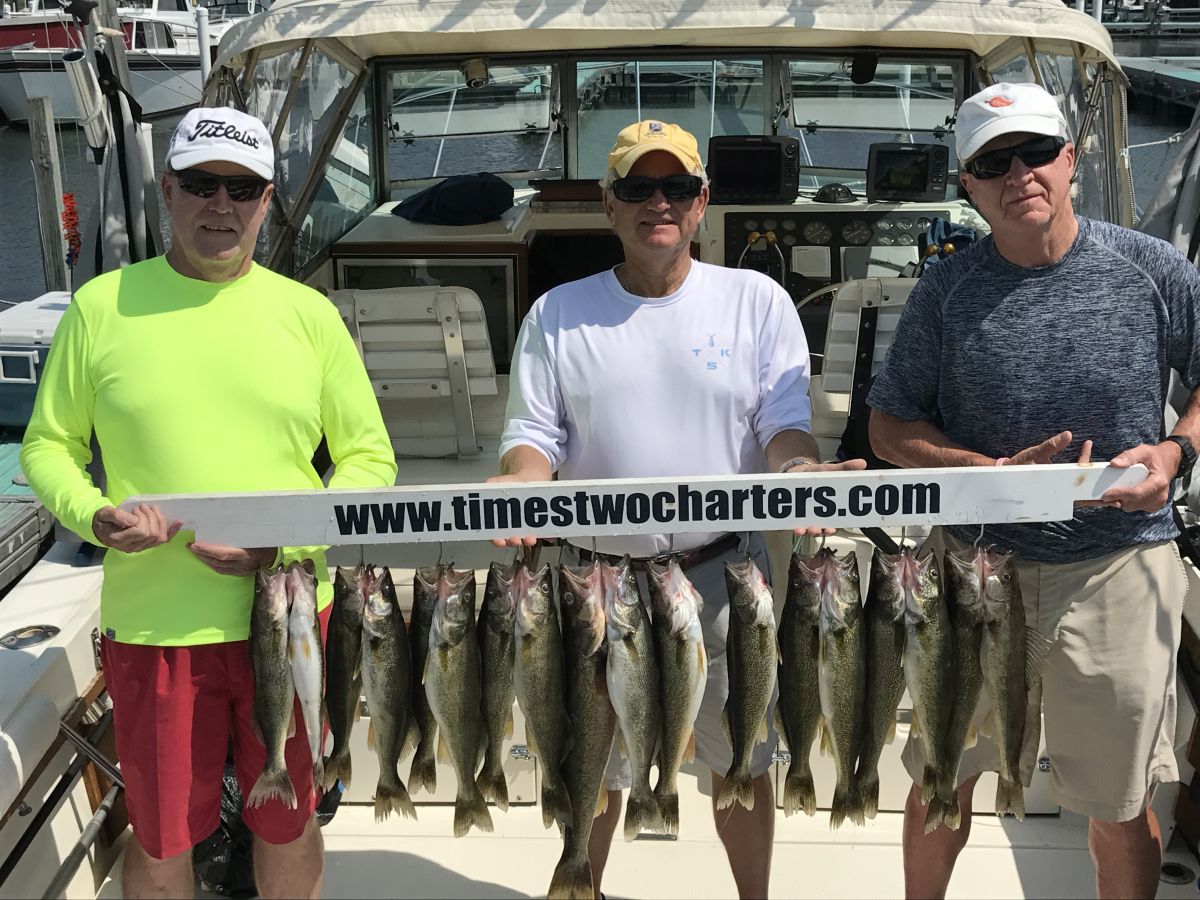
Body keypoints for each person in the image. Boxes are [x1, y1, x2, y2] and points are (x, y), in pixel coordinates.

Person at [20, 107, 397, 900]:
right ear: (167, 189)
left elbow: (370, 459)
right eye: (201, 184)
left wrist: (287, 546)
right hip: (157, 626)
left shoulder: (310, 316)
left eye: (243, 188)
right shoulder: (99, 308)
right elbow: (47, 447)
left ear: (268, 202)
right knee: (161, 839)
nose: (220, 205)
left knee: (289, 821)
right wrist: (94, 516)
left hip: (292, 615)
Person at [495, 118, 865, 898]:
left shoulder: (757, 301)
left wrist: (799, 470)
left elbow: (783, 424)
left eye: (675, 187)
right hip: (597, 584)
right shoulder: (557, 314)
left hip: (723, 573)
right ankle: (580, 879)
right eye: (637, 187)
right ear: (609, 204)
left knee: (744, 758)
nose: (656, 202)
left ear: (703, 202)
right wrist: (519, 481)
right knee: (593, 758)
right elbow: (533, 438)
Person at [868, 82, 1200, 899]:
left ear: (1070, 160)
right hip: (975, 570)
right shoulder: (943, 292)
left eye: (1035, 151)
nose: (1020, 173)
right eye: (992, 161)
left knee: (1121, 803)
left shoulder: (1154, 268)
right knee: (945, 775)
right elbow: (887, 427)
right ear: (970, 186)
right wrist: (989, 478)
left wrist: (1174, 451)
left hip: (1119, 569)